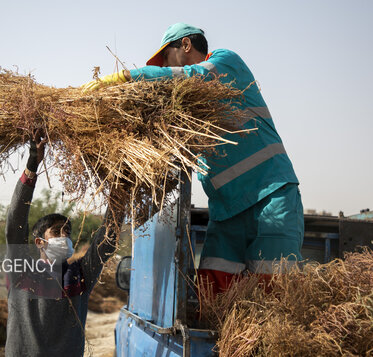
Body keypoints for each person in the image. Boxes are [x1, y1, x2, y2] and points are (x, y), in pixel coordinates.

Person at [81, 23, 304, 295]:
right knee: (212, 294)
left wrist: (126, 78)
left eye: (166, 59)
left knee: (274, 293)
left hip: (270, 196)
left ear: (185, 45)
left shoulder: (225, 62)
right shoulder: (188, 115)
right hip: (226, 210)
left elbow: (191, 76)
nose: (164, 67)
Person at [5, 140, 122, 356]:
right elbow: (15, 223)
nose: (64, 236)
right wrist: (32, 166)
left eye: (67, 232)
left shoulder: (79, 274)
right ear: (39, 241)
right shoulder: (21, 270)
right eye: (57, 231)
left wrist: (120, 192)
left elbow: (106, 242)